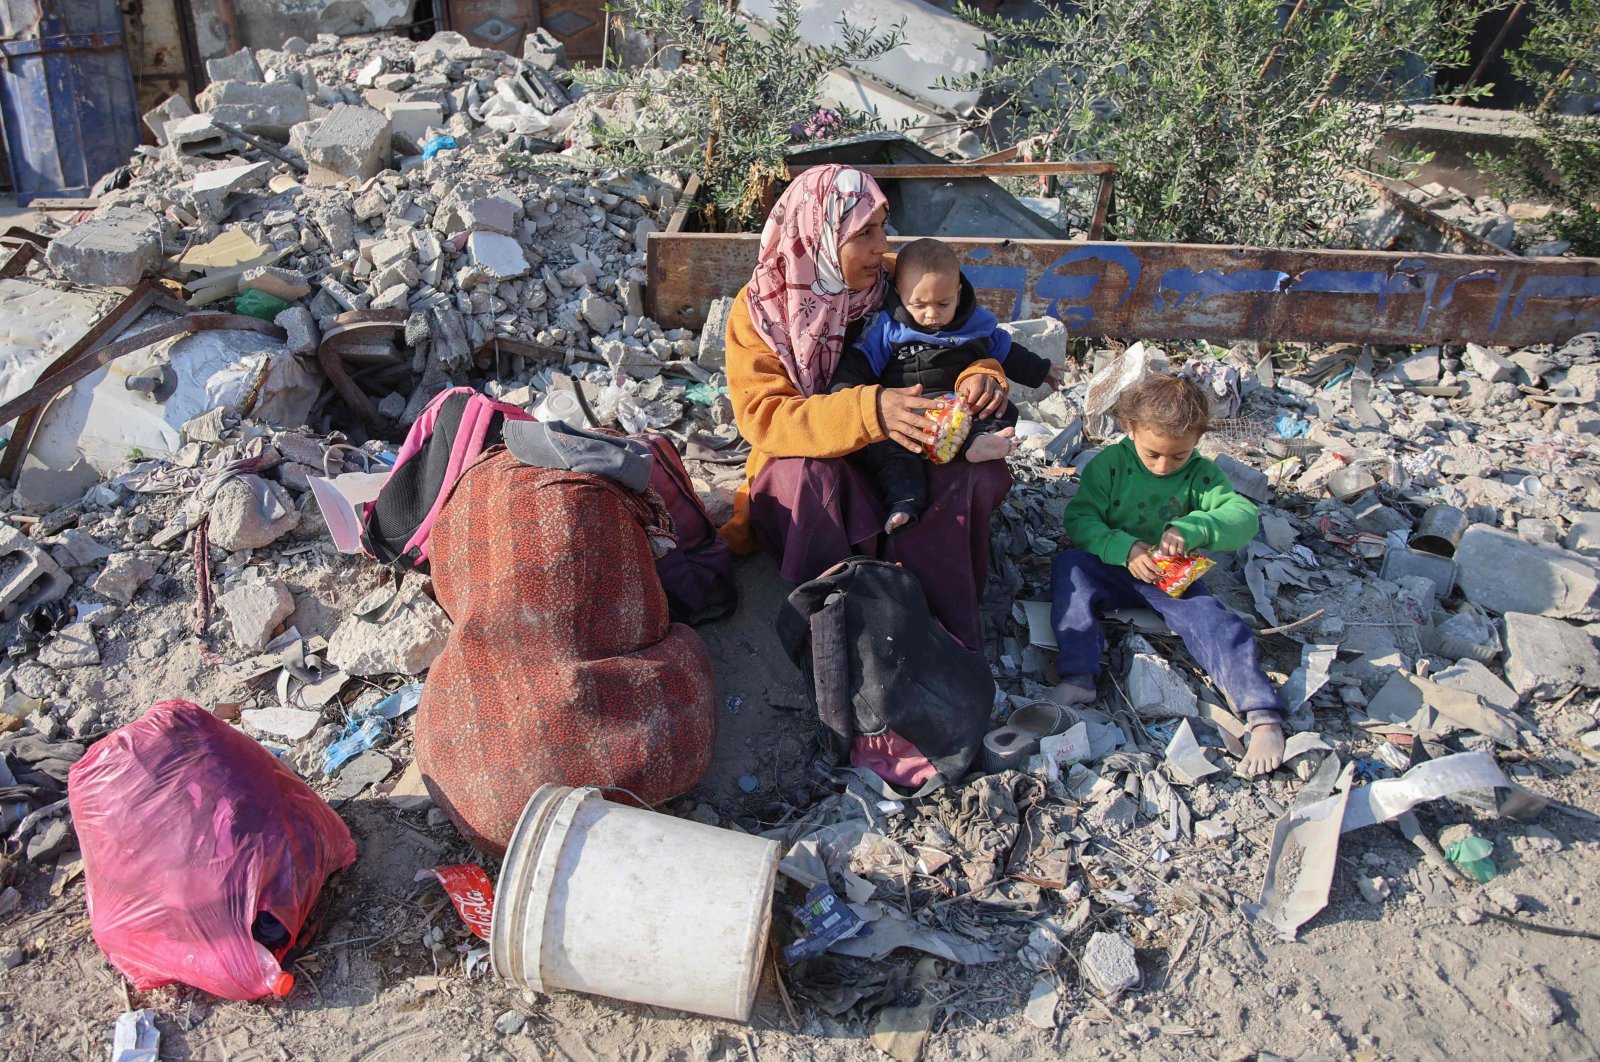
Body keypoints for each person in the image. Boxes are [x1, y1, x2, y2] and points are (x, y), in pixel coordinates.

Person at [720, 165, 1012, 651]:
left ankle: (935, 634)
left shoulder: (902, 283)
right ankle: (838, 627)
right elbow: (764, 418)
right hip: (824, 453)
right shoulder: (759, 312)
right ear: (817, 233)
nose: (883, 244)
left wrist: (980, 377)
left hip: (908, 447)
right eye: (865, 232)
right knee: (802, 479)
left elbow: (964, 342)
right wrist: (871, 412)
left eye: (884, 226)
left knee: (974, 474)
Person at [1049, 373, 1287, 776]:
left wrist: (1192, 528)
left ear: (1196, 442)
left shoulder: (1200, 474)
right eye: (1153, 454)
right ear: (1130, 429)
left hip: (1169, 575)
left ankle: (1261, 713)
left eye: (1178, 456)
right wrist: (1122, 548)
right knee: (1069, 571)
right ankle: (1078, 677)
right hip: (1110, 567)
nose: (1164, 466)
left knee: (1213, 620)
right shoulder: (1108, 466)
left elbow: (1242, 517)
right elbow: (1081, 519)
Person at [828, 237, 1062, 535]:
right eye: (919, 304)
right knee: (893, 453)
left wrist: (1042, 371)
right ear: (900, 294)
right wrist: (843, 390)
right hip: (910, 411)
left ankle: (978, 443)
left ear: (958, 292)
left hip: (957, 406)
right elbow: (859, 362)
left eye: (943, 303)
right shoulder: (888, 328)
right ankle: (904, 504)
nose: (932, 314)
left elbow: (1007, 351)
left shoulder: (975, 323)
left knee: (1001, 410)